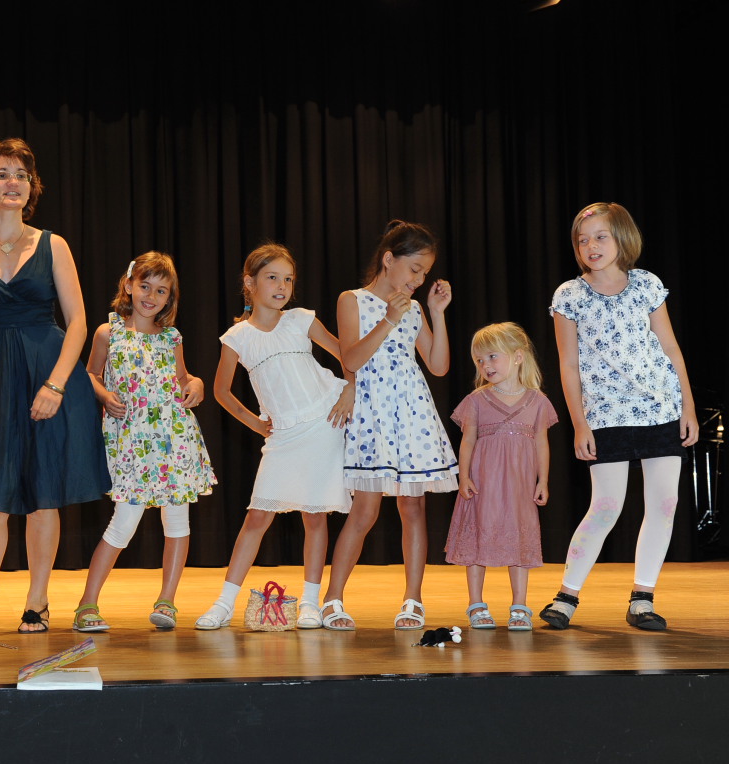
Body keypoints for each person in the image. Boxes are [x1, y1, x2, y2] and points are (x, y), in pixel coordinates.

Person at [0, 139, 108, 634]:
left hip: (48, 377)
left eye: (21, 175)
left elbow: (78, 322)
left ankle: (38, 600)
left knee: (43, 494)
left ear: (31, 188)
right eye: (2, 174)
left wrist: (56, 385)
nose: (13, 183)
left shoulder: (54, 245)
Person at [540, 202, 696, 631]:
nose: (591, 246)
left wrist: (687, 406)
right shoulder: (569, 296)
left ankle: (643, 598)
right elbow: (568, 366)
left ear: (622, 238)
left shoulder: (647, 284)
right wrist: (580, 423)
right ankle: (566, 596)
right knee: (605, 507)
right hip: (606, 415)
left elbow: (670, 347)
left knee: (664, 505)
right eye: (582, 240)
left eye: (600, 236)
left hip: (660, 408)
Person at [194, 244, 353, 631]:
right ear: (250, 283)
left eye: (288, 279)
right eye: (272, 278)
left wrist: (349, 391)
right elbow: (221, 391)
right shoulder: (238, 337)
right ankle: (223, 603)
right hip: (284, 433)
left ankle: (311, 603)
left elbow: (349, 356)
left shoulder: (301, 319)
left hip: (324, 422)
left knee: (315, 515)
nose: (282, 286)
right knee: (257, 516)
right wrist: (254, 423)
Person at [321, 220, 458, 631]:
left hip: (411, 412)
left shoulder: (414, 308)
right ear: (388, 259)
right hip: (372, 411)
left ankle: (413, 599)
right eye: (414, 268)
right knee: (364, 509)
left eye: (425, 272)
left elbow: (438, 365)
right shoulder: (353, 300)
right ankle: (332, 598)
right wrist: (388, 319)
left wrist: (437, 313)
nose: (419, 279)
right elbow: (351, 359)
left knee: (413, 506)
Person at [72, 253, 216, 632]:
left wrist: (197, 384)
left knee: (177, 521)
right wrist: (105, 395)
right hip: (131, 442)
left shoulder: (171, 337)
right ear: (129, 285)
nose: (151, 296)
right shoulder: (109, 333)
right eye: (145, 286)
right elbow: (90, 373)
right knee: (123, 522)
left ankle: (167, 601)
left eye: (161, 291)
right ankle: (87, 604)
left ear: (170, 297)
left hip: (174, 439)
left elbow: (184, 378)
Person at [445, 322, 557, 631]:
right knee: (477, 540)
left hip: (519, 486)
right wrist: (464, 476)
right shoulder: (476, 400)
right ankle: (476, 603)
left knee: (519, 541)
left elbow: (541, 443)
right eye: (480, 360)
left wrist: (543, 480)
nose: (485, 365)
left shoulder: (537, 401)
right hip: (483, 484)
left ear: (518, 356)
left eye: (492, 356)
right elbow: (467, 440)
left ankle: (520, 605)